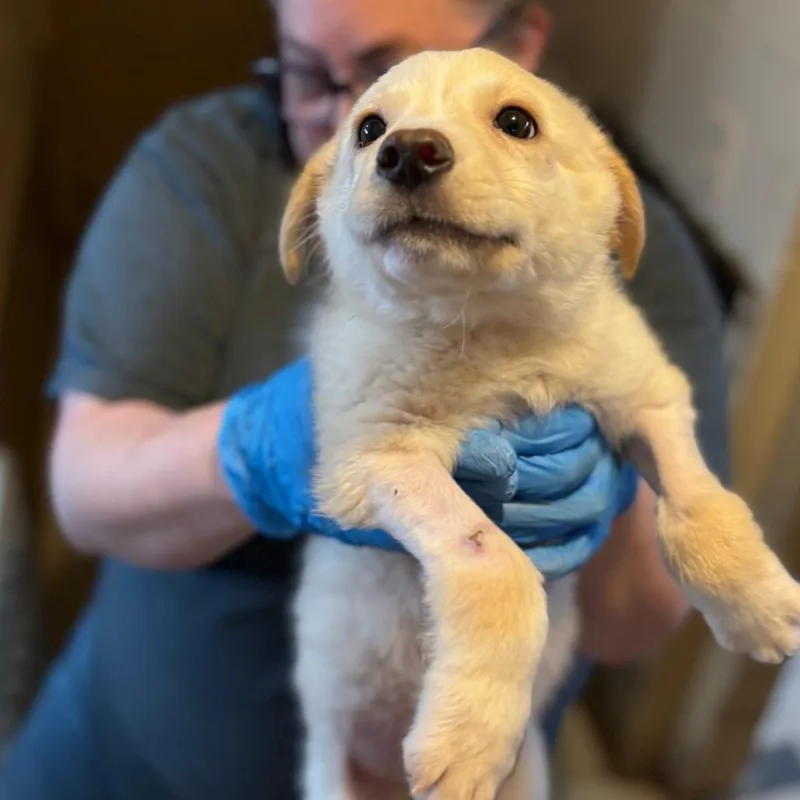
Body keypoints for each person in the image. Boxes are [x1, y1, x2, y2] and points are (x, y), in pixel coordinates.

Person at [0, 0, 730, 798]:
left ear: (521, 42)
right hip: (129, 765)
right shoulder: (211, 163)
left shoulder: (619, 234)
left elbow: (638, 622)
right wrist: (259, 445)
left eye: (385, 66)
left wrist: (612, 486)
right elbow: (84, 492)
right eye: (308, 76)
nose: (357, 125)